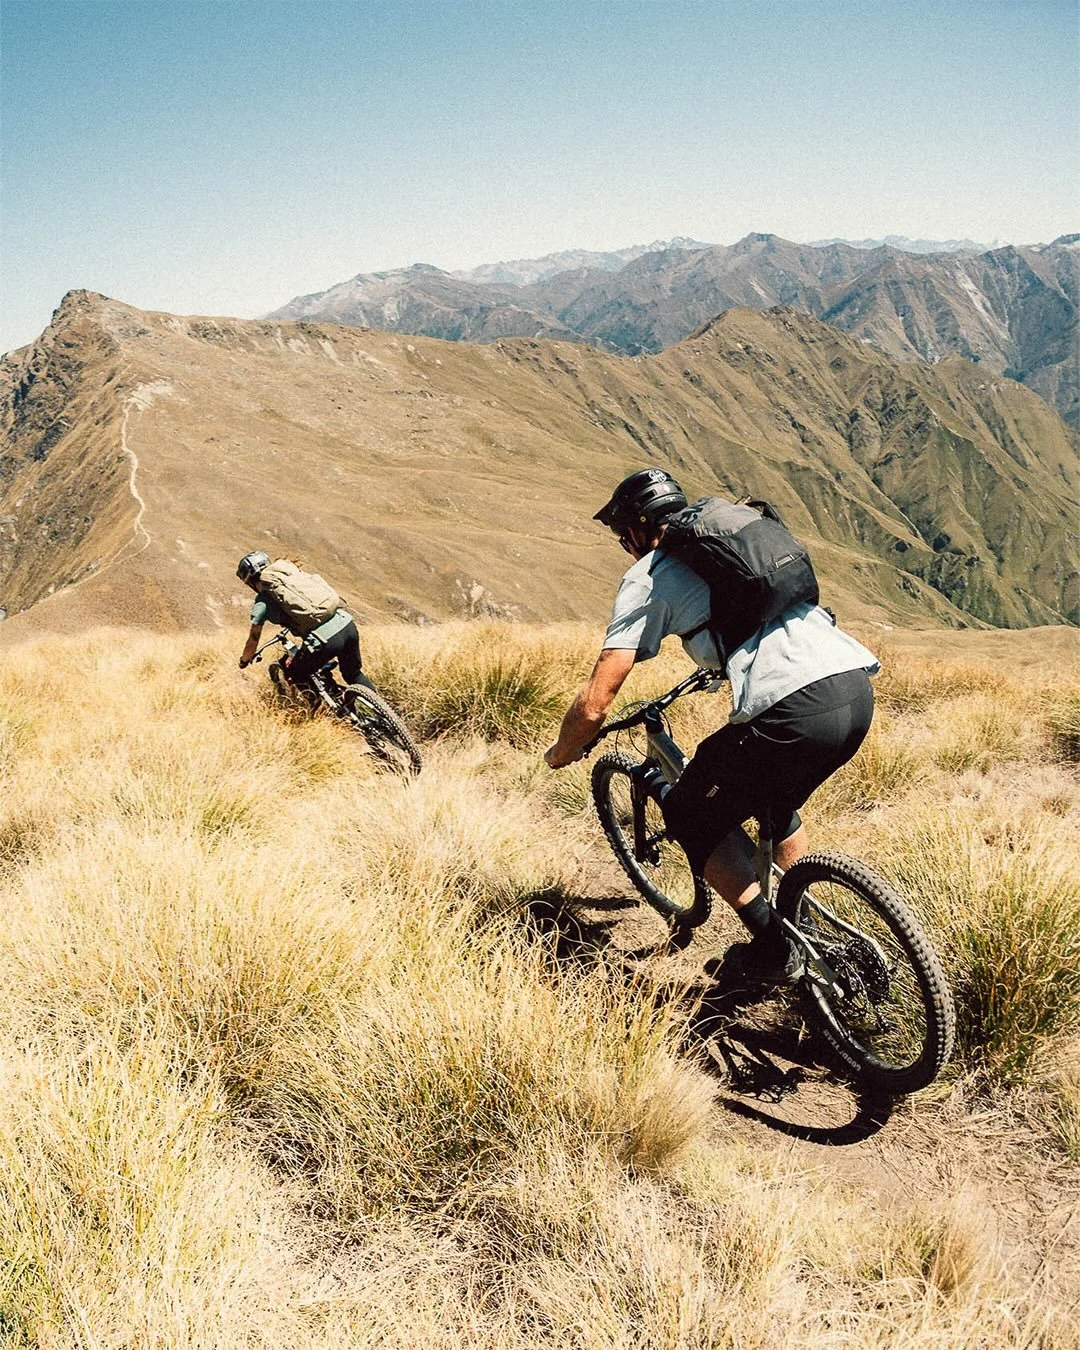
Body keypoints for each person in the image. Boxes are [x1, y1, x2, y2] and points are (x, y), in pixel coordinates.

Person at [544, 468, 880, 982]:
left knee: (689, 813)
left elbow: (596, 702)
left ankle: (774, 950)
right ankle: (807, 929)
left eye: (621, 537)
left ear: (636, 529)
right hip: (853, 686)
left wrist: (563, 750)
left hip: (793, 710)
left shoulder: (650, 574)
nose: (625, 549)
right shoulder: (734, 545)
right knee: (771, 800)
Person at [235, 550, 364, 686]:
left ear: (250, 581)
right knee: (353, 674)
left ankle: (324, 700)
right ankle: (374, 700)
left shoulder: (263, 600)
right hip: (347, 624)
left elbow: (254, 636)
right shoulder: (292, 576)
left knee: (294, 675)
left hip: (324, 640)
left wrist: (244, 660)